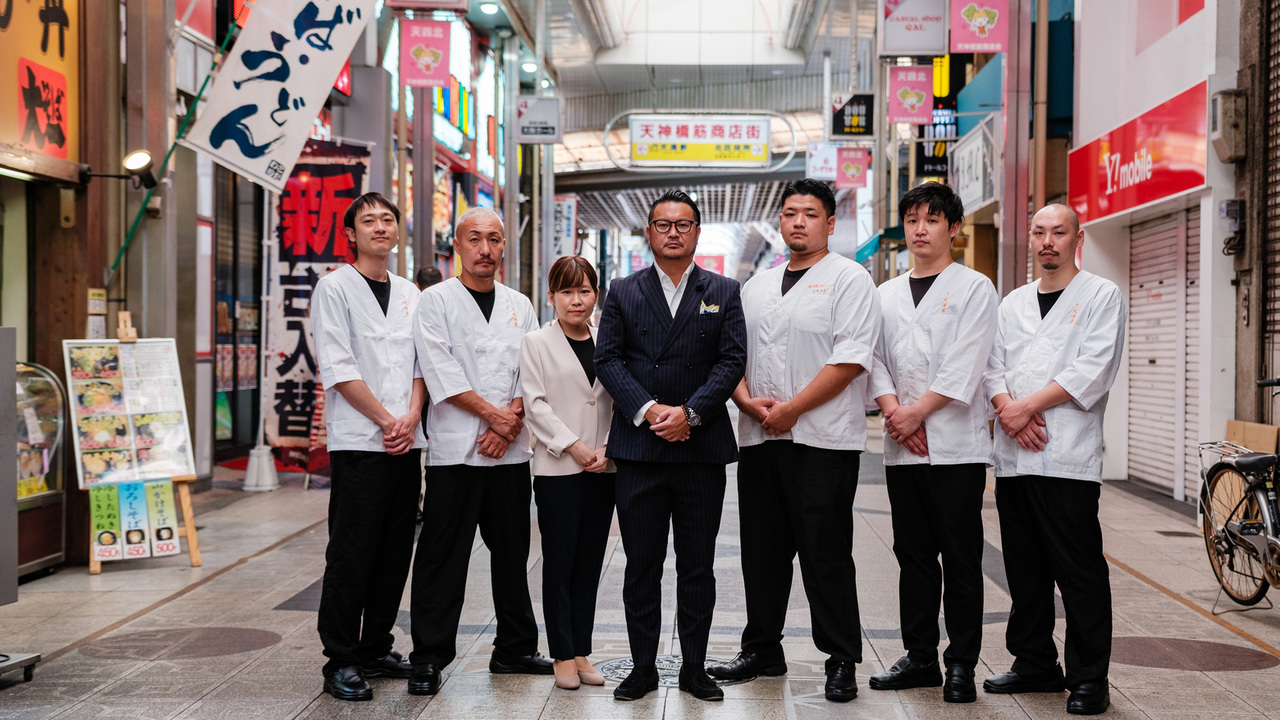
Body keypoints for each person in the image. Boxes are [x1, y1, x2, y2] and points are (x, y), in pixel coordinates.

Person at [706, 179, 879, 703]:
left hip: (823, 441)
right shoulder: (755, 286)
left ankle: (841, 657)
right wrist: (744, 401)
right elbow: (730, 354)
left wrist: (793, 409)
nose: (798, 221)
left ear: (830, 222)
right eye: (789, 213)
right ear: (779, 222)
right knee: (761, 551)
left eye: (810, 213)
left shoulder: (850, 279)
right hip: (761, 438)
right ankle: (762, 648)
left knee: (825, 553)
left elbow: (850, 359)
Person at [595, 189, 747, 702]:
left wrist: (691, 414)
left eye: (683, 225)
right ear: (650, 232)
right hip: (640, 448)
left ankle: (694, 668)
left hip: (700, 450)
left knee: (697, 565)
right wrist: (650, 410)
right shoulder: (623, 290)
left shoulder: (723, 290)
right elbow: (608, 359)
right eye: (664, 224)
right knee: (641, 564)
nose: (674, 232)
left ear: (698, 232)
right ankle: (642, 667)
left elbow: (732, 360)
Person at [982, 203, 1126, 716]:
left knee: (1079, 571)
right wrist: (1008, 408)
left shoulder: (1101, 295)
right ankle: (1035, 663)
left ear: (1076, 239)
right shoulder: (1012, 303)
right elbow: (991, 367)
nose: (1048, 241)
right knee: (1024, 570)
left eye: (1058, 232)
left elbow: (1094, 369)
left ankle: (1090, 678)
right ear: (1030, 239)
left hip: (1067, 457)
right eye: (1039, 232)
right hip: (1015, 458)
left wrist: (1023, 408)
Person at [864, 182, 998, 703]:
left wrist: (916, 412)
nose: (920, 229)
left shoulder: (974, 288)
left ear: (954, 228)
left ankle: (961, 664)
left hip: (956, 449)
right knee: (913, 556)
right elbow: (873, 359)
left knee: (961, 558)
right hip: (903, 448)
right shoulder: (885, 294)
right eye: (913, 220)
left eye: (932, 219)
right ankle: (920, 658)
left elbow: (968, 362)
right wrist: (894, 412)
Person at [408, 207, 550, 696]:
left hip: (508, 453)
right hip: (454, 452)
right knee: (441, 556)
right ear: (457, 245)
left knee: (513, 553)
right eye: (474, 239)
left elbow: (532, 371)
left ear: (503, 245)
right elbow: (439, 370)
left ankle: (514, 648)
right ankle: (428, 657)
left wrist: (507, 427)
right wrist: (496, 418)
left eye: (493, 239)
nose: (485, 249)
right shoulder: (436, 301)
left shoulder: (520, 304)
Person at [311, 192, 426, 701]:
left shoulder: (410, 293)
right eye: (368, 221)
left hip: (406, 440)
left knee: (395, 550)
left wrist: (412, 417)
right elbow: (338, 368)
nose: (380, 227)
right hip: (360, 442)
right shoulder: (334, 288)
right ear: (351, 234)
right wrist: (385, 420)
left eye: (387, 219)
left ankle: (376, 646)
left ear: (397, 231)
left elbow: (423, 363)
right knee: (352, 551)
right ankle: (340, 657)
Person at [519, 256, 616, 691]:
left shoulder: (608, 340)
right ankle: (561, 653)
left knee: (590, 561)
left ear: (596, 295)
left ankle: (581, 650)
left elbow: (620, 398)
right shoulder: (536, 342)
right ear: (551, 297)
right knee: (560, 561)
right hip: (559, 465)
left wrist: (608, 448)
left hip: (604, 466)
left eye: (584, 291)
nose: (576, 300)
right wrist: (574, 445)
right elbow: (535, 404)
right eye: (566, 292)